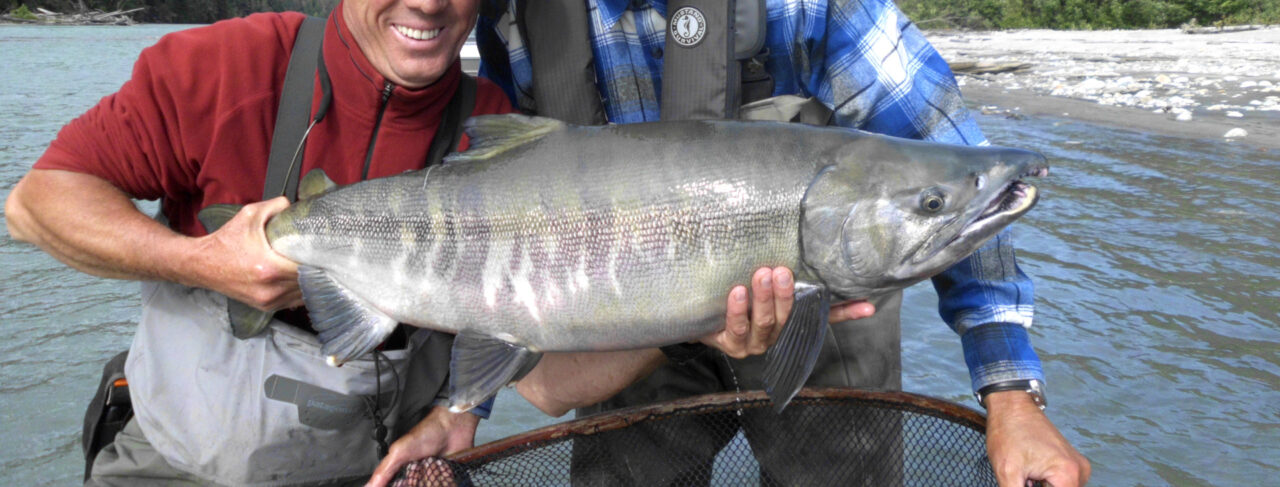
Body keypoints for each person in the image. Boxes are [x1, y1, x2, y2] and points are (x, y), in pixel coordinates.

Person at [6, 0, 846, 485]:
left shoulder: (496, 140)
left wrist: (693, 317)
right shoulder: (221, 69)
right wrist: (202, 260)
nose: (426, 2)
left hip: (384, 472)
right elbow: (37, 204)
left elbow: (551, 385)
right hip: (170, 467)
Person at [463, 0, 1092, 486]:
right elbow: (496, 212)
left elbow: (952, 159)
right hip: (629, 308)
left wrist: (1010, 391)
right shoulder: (516, 17)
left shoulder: (807, 6)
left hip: (833, 296)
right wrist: (464, 407)